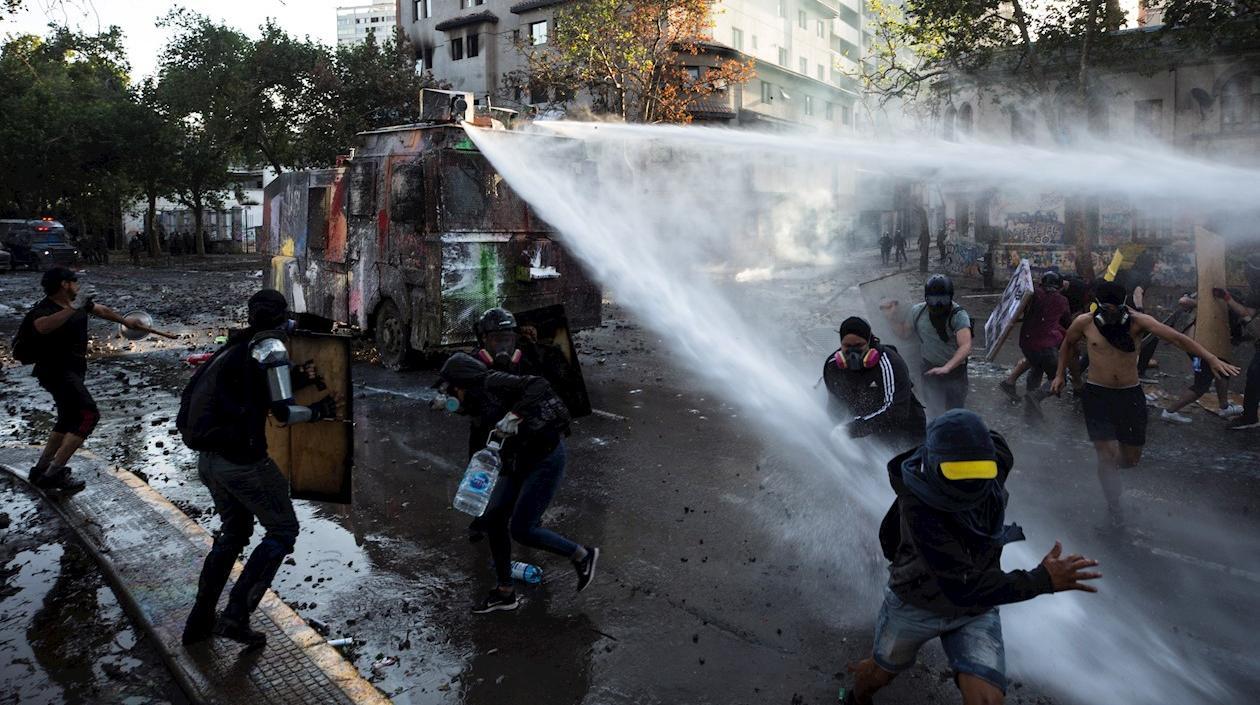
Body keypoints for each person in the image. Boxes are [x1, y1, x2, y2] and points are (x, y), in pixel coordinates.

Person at [845, 410, 1101, 705]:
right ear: (934, 463)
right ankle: (855, 696)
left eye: (979, 470)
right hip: (916, 602)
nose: (970, 484)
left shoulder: (997, 458)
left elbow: (991, 441)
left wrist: (967, 435)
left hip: (974, 610)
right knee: (876, 677)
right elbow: (962, 585)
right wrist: (1041, 579)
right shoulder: (918, 506)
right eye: (959, 473)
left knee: (987, 700)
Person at [180, 289, 339, 648]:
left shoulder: (235, 348)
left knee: (234, 534)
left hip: (210, 461)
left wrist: (295, 378)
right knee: (282, 530)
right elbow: (283, 412)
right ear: (282, 319)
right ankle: (236, 616)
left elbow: (250, 391)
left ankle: (199, 622)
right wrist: (319, 412)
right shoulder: (271, 348)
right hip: (241, 462)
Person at [1051, 280, 1240, 530]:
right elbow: (1067, 344)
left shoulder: (1139, 321)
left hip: (1129, 396)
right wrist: (1060, 374)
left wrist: (1211, 357)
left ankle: (1107, 470)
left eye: (1115, 309)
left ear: (1124, 304)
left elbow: (1177, 339)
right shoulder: (1084, 322)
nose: (1111, 314)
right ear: (1096, 305)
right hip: (1097, 395)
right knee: (1106, 456)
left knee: (1130, 460)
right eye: (1105, 309)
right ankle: (1113, 503)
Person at [436, 352, 599, 613]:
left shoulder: (492, 381)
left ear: (463, 382)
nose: (450, 394)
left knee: (523, 529)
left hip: (545, 458)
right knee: (493, 519)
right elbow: (479, 444)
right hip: (517, 462)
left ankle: (582, 555)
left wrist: (515, 414)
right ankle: (505, 592)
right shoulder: (478, 403)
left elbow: (539, 385)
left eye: (452, 388)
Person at [25, 268, 143, 493]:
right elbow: (43, 326)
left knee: (67, 419)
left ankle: (41, 469)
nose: (77, 286)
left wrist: (126, 322)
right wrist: (73, 308)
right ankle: (54, 473)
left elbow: (103, 310)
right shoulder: (44, 310)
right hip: (55, 371)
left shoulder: (78, 304)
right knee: (88, 416)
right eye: (74, 282)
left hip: (73, 370)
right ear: (64, 284)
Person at [824, 317, 926, 449]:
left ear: (869, 342)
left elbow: (897, 410)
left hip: (906, 430)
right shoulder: (832, 367)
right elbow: (835, 404)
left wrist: (851, 430)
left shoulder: (890, 363)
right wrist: (836, 430)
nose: (853, 352)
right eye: (847, 346)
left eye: (859, 346)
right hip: (867, 431)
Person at [891, 274, 972, 419]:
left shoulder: (959, 315)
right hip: (929, 369)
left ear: (950, 297)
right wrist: (891, 317)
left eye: (943, 299)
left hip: (955, 371)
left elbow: (965, 346)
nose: (938, 305)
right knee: (932, 408)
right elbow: (904, 333)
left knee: (955, 413)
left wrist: (947, 367)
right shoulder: (917, 312)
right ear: (926, 298)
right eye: (933, 300)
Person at [1158, 292, 1241, 424]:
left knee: (1223, 372)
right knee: (1201, 385)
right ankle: (1169, 412)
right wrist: (1202, 304)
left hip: (1212, 346)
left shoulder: (1227, 303)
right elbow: (1183, 301)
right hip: (1197, 348)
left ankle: (1224, 407)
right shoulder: (1205, 294)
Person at [999, 271, 1068, 419]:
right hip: (1045, 345)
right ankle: (1035, 397)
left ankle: (1031, 410)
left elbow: (1019, 307)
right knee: (1060, 378)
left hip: (1027, 344)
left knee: (1037, 367)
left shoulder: (1033, 294)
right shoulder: (1061, 300)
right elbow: (1066, 321)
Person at [1216, 257, 1260, 430]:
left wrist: (1226, 297)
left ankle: (1249, 417)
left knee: (1254, 377)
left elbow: (1245, 312)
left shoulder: (1257, 291)